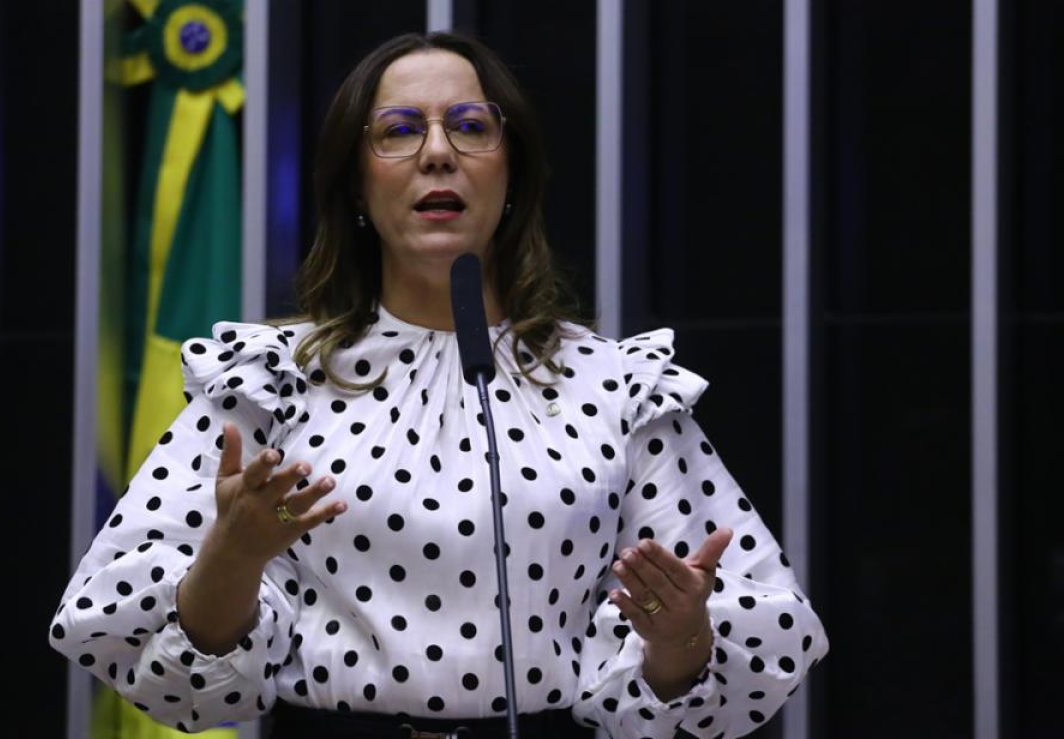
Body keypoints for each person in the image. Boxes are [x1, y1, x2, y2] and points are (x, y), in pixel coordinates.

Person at [51, 31, 828, 738]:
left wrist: (679, 635)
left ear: (511, 171)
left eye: (470, 125)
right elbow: (154, 660)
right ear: (356, 186)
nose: (437, 153)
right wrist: (231, 557)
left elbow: (739, 639)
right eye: (397, 131)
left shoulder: (618, 387)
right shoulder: (269, 381)